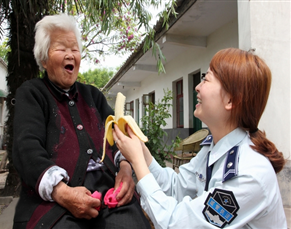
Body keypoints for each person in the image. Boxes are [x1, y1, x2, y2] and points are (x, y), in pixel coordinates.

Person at [113, 48, 287, 228]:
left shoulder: (248, 174)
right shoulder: (213, 149)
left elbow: (175, 224)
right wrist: (142, 152)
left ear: (230, 101)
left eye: (206, 78)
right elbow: (176, 187)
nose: (197, 86)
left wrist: (137, 162)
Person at [12, 13, 151, 229]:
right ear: (44, 58)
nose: (70, 55)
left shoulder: (93, 95)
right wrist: (62, 192)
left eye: (74, 49)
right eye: (61, 48)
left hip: (108, 192)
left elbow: (117, 137)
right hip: (56, 199)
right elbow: (26, 148)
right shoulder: (32, 94)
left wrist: (125, 170)